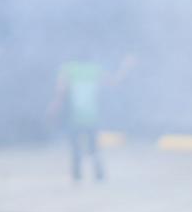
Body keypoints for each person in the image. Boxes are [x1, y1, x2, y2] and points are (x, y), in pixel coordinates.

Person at [51, 52, 133, 182]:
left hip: (74, 116)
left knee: (76, 149)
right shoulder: (95, 70)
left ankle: (77, 177)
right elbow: (114, 82)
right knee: (94, 148)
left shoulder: (68, 69)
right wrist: (125, 67)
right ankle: (98, 175)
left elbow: (60, 92)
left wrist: (54, 109)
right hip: (91, 116)